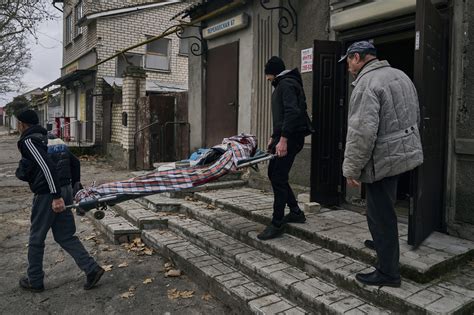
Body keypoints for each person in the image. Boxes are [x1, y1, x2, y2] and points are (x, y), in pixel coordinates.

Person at [339, 41, 423, 287]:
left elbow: (361, 133)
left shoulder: (367, 84)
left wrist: (351, 169)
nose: (347, 67)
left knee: (380, 214)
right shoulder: (400, 75)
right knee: (386, 206)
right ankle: (382, 243)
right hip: (401, 153)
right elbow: (414, 114)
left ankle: (388, 273)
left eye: (348, 61)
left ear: (357, 57)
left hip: (382, 158)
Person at [15, 109, 104, 292]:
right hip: (64, 190)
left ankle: (35, 280)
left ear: (22, 124)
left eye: (18, 124)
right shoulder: (53, 137)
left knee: (36, 238)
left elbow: (46, 167)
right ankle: (91, 269)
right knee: (65, 235)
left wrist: (55, 196)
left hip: (48, 194)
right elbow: (75, 162)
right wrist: (74, 187)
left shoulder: (29, 140)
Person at [257, 56, 313, 240]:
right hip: (285, 137)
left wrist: (283, 140)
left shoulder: (286, 84)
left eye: (267, 75)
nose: (267, 79)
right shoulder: (283, 84)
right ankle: (296, 212)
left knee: (278, 177)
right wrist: (274, 137)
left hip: (290, 138)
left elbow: (292, 112)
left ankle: (277, 222)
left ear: (273, 72)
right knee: (275, 175)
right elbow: (282, 116)